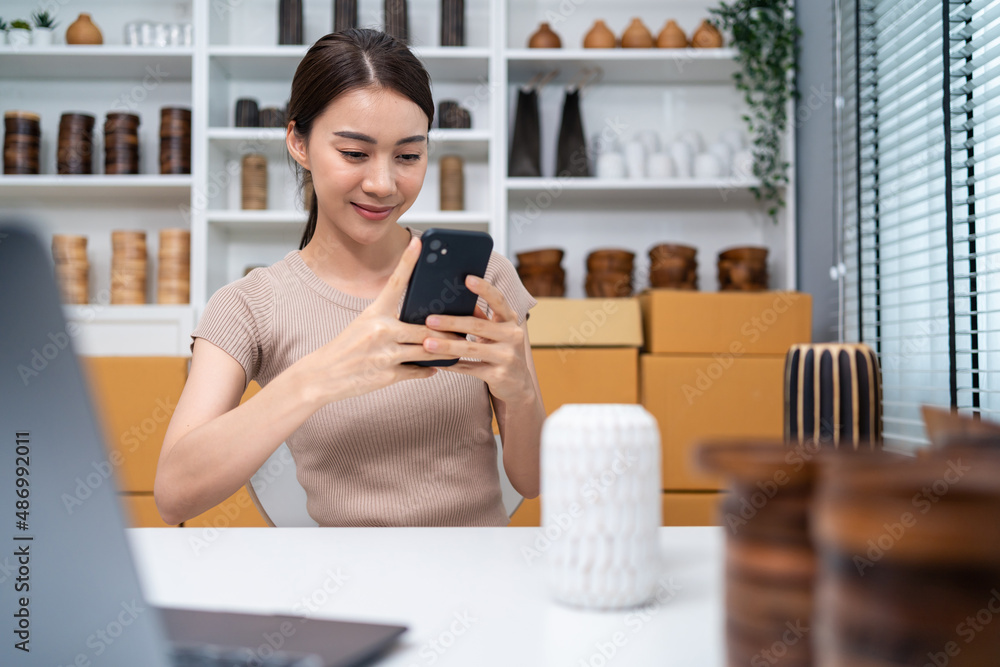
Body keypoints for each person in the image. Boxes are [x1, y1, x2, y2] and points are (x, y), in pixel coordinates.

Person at [154, 29, 545, 527]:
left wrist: (521, 394)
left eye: (408, 156)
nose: (383, 184)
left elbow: (531, 482)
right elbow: (174, 495)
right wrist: (319, 377)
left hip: (480, 578)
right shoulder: (250, 305)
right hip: (344, 591)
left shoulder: (481, 277)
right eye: (355, 154)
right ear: (298, 141)